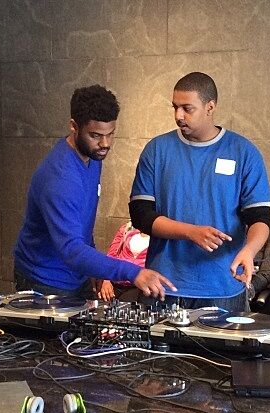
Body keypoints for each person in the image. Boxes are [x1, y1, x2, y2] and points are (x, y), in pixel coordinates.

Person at [14, 85, 175, 300]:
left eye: (111, 134)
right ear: (74, 126)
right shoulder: (61, 178)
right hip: (44, 281)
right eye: (96, 135)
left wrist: (97, 268)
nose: (105, 144)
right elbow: (71, 249)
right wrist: (133, 272)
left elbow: (81, 226)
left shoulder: (91, 156)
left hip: (75, 275)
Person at [129, 72, 270, 312]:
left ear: (210, 107)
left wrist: (249, 250)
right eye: (175, 107)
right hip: (163, 285)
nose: (178, 116)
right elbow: (141, 216)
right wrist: (190, 232)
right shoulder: (157, 150)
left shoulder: (244, 152)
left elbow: (260, 218)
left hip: (223, 288)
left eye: (187, 108)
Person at [97, 221, 150, 302]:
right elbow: (111, 254)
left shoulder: (159, 235)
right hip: (115, 281)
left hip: (136, 286)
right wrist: (106, 281)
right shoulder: (127, 228)